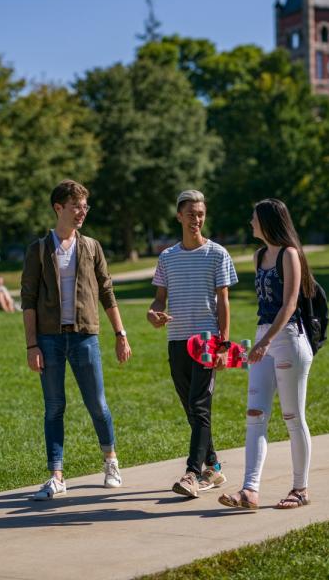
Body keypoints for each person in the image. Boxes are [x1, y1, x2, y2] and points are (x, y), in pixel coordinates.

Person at [21, 179, 132, 500]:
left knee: (98, 404)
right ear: (59, 208)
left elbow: (107, 291)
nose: (82, 212)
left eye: (85, 206)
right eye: (76, 206)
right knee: (54, 407)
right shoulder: (39, 249)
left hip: (85, 338)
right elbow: (28, 300)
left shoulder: (91, 247)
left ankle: (111, 462)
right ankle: (56, 475)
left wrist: (120, 334)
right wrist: (32, 345)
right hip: (49, 340)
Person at [219, 198, 314, 511]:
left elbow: (289, 305)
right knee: (254, 415)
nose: (250, 222)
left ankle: (300, 489)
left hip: (288, 339)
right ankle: (249, 491)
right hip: (264, 336)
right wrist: (260, 341)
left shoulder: (290, 255)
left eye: (254, 217)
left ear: (268, 221)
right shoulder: (259, 255)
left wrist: (265, 342)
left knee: (292, 417)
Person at [147, 189, 238, 498]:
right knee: (192, 408)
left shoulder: (217, 254)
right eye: (191, 214)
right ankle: (213, 467)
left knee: (199, 405)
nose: (196, 219)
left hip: (207, 340)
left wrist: (224, 345)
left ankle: (191, 474)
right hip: (176, 341)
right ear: (179, 216)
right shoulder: (167, 257)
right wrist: (153, 314)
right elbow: (159, 299)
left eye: (200, 214)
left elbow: (224, 303)